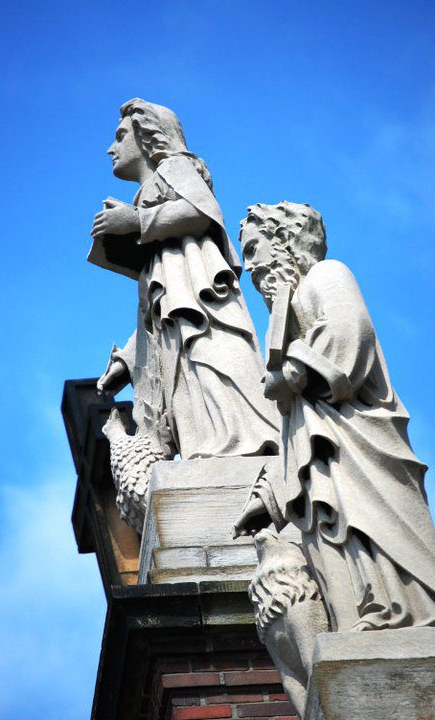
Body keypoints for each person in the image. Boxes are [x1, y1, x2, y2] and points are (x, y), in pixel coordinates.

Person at [234, 201, 435, 632]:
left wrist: (291, 374)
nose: (247, 266)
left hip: (358, 441)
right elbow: (295, 434)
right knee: (338, 530)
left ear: (284, 239)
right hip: (326, 452)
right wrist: (271, 495)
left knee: (374, 524)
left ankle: (401, 613)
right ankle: (366, 613)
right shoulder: (288, 308)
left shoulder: (327, 275)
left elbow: (350, 331)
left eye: (254, 249)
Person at [88, 99, 278, 459]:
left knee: (212, 363)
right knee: (187, 386)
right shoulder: (149, 200)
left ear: (147, 137)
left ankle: (246, 447)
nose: (110, 148)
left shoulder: (174, 168)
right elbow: (154, 301)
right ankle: (210, 451)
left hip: (203, 307)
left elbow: (204, 210)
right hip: (176, 313)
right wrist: (129, 360)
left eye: (120, 136)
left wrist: (137, 222)